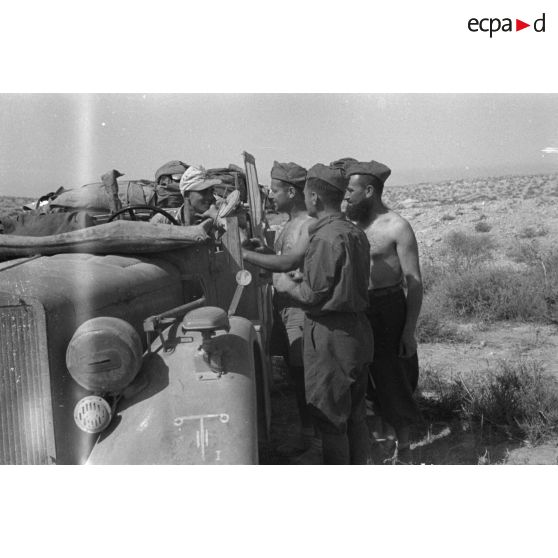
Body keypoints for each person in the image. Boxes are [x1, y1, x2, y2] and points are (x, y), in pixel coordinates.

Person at [273, 163, 373, 465]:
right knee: (355, 417)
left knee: (331, 421)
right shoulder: (354, 232)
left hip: (330, 337)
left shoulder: (325, 238)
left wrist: (286, 285)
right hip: (357, 332)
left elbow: (312, 295)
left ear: (315, 198)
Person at [344, 160, 423, 460]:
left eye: (351, 191)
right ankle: (380, 448)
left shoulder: (397, 226)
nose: (346, 196)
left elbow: (413, 283)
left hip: (389, 310)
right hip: (357, 310)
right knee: (364, 383)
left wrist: (409, 331)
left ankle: (404, 453)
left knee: (395, 382)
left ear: (368, 190)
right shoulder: (350, 224)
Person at [242, 161, 316, 456]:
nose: (271, 196)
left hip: (298, 309)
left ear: (292, 191)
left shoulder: (306, 225)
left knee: (303, 376)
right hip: (286, 308)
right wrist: (267, 254)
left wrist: (251, 255)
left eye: (274, 190)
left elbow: (294, 269)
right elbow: (286, 261)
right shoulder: (291, 223)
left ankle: (312, 437)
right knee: (296, 372)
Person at [151, 165, 220, 226]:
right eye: (203, 191)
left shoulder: (216, 223)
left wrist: (217, 217)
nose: (210, 197)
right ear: (187, 194)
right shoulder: (164, 221)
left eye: (211, 191)